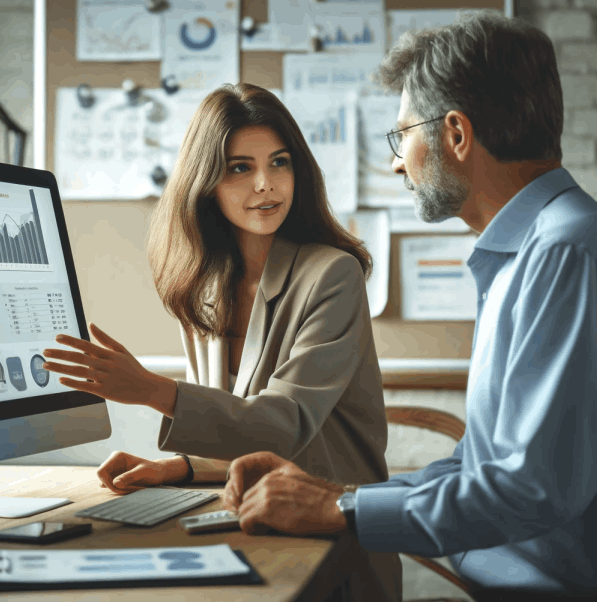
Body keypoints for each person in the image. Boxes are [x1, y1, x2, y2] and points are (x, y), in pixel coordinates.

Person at [221, 12, 597, 601]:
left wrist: (341, 506)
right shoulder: (534, 250)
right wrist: (336, 495)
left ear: (456, 134)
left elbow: (532, 490)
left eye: (403, 134)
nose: (397, 162)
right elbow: (490, 468)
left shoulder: (566, 256)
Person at [43, 83, 401, 599]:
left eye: (280, 163)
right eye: (240, 168)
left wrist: (150, 389)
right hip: (252, 533)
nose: (265, 184)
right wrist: (182, 466)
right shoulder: (205, 288)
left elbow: (284, 426)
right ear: (206, 181)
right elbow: (241, 434)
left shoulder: (333, 276)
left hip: (333, 551)